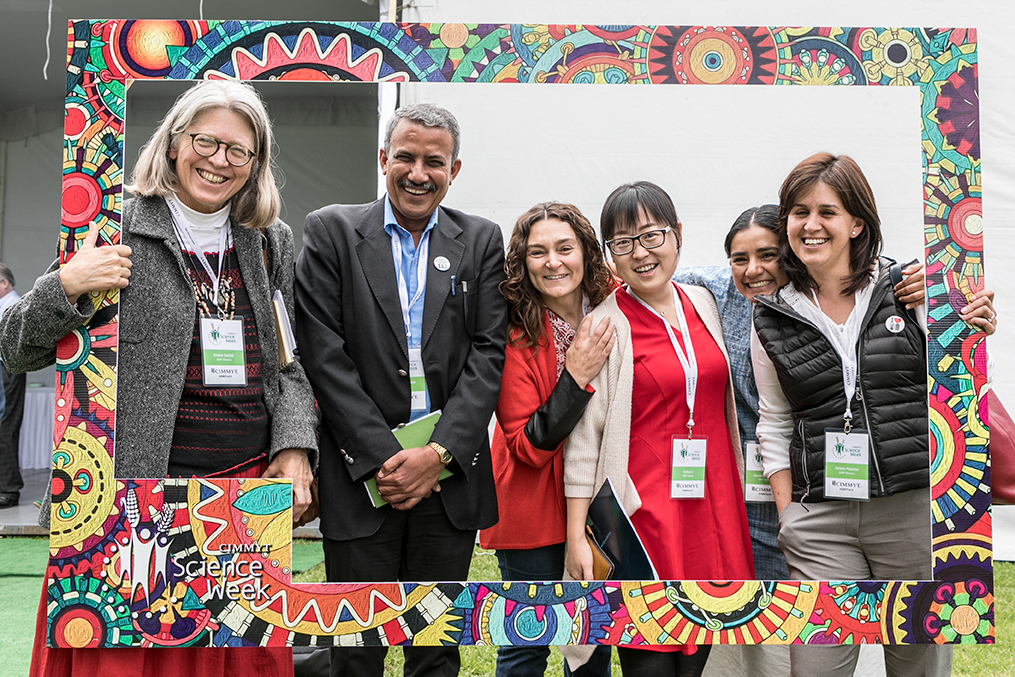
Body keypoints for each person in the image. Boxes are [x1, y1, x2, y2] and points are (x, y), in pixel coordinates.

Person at [1, 80, 318, 677]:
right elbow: (13, 346)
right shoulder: (113, 226)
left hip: (241, 500)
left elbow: (288, 363)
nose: (219, 161)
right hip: (132, 499)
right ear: (174, 143)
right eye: (206, 141)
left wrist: (296, 445)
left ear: (256, 165)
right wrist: (66, 286)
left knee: (238, 659)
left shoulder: (269, 239)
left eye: (239, 151)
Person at [750, 152, 992, 677]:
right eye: (797, 212)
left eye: (826, 212)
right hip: (822, 521)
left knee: (919, 666)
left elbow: (961, 373)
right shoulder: (771, 314)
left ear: (857, 222)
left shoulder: (911, 290)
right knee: (814, 668)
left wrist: (965, 314)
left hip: (910, 512)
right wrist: (792, 514)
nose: (810, 225)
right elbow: (773, 421)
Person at [294, 102, 508, 677]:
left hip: (448, 480)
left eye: (434, 162)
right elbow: (322, 354)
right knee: (355, 650)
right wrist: (389, 460)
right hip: (362, 477)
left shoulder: (482, 240)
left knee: (435, 650)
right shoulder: (332, 231)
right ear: (384, 159)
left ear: (454, 170)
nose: (419, 172)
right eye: (406, 157)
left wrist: (435, 455)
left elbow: (489, 353)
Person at [564, 181, 753, 677]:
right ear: (609, 255)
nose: (640, 253)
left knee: (701, 655)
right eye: (622, 243)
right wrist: (577, 536)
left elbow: (777, 270)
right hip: (642, 518)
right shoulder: (604, 326)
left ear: (678, 236)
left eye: (651, 235)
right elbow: (584, 445)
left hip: (714, 512)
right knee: (649, 662)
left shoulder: (705, 300)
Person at [478, 202, 615, 677]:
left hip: (604, 499)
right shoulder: (513, 335)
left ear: (586, 253)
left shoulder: (614, 310)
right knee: (528, 641)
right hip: (533, 504)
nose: (553, 262)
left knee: (593, 637)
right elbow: (525, 445)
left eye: (565, 248)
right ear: (523, 263)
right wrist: (573, 377)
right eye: (538, 252)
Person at [0, 262, 20, 509]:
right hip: (7, 368)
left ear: (4, 283)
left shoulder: (11, 306)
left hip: (7, 369)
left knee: (5, 426)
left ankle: (8, 489)